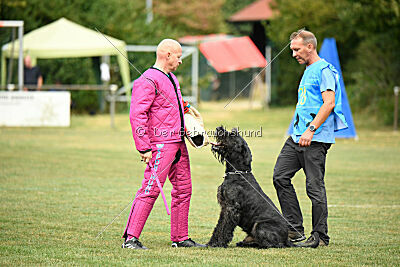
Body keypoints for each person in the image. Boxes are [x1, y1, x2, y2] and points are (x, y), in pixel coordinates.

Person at [122, 39, 206, 249]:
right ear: (167, 55)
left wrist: (186, 108)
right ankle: (131, 239)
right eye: (178, 56)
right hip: (161, 144)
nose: (180, 60)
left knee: (184, 188)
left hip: (178, 142)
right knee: (150, 189)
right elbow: (137, 115)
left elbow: (170, 102)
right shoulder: (147, 80)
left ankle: (180, 238)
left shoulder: (171, 78)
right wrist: (144, 146)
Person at [272, 30, 348, 248]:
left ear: (310, 47)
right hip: (296, 137)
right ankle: (294, 229)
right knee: (280, 176)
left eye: (297, 49)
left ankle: (320, 236)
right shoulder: (308, 70)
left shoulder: (324, 69)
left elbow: (329, 103)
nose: (294, 54)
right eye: (292, 50)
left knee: (314, 187)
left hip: (314, 138)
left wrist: (311, 129)